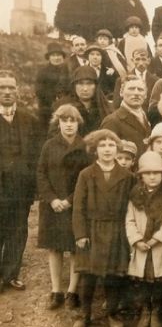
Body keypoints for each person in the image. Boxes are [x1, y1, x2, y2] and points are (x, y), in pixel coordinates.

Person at [72, 129, 134, 327]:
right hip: (92, 229)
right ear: (95, 149)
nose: (107, 150)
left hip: (117, 230)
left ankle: (112, 313)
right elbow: (78, 207)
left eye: (111, 145)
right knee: (88, 274)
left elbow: (132, 205)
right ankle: (85, 314)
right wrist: (80, 234)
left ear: (117, 149)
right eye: (102, 145)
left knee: (114, 275)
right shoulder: (86, 174)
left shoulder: (127, 176)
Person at [36, 104, 89, 310]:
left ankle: (72, 292)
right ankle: (56, 291)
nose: (68, 124)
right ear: (58, 123)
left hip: (74, 206)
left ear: (78, 123)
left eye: (72, 120)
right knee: (55, 247)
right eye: (64, 120)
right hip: (52, 206)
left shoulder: (85, 146)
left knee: (76, 247)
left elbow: (86, 179)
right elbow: (41, 173)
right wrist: (52, 199)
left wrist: (69, 200)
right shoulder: (49, 146)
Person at [125, 151, 162, 327]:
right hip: (141, 245)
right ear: (141, 176)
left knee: (158, 280)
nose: (152, 177)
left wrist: (156, 239)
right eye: (147, 173)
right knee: (143, 280)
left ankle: (156, 310)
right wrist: (137, 240)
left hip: (159, 245)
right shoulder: (135, 196)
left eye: (156, 173)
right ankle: (145, 309)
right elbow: (130, 220)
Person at [0, 70, 41, 292]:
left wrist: (32, 185)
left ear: (17, 91)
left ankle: (10, 275)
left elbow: (36, 156)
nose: (7, 92)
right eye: (2, 88)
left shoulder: (29, 120)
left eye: (10, 88)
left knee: (18, 230)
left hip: (20, 187)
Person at [53, 66, 113, 137]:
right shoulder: (63, 106)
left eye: (89, 83)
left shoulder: (104, 108)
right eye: (80, 83)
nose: (85, 89)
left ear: (96, 86)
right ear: (74, 85)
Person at [101, 75, 151, 156]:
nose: (136, 93)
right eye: (131, 89)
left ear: (145, 95)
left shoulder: (145, 117)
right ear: (121, 92)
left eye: (140, 90)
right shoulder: (112, 121)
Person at [35, 42, 70, 135]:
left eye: (58, 55)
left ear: (62, 57)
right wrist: (54, 97)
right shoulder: (43, 72)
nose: (56, 58)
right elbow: (39, 91)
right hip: (47, 108)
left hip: (65, 105)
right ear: (49, 58)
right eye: (53, 55)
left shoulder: (67, 70)